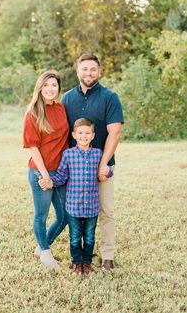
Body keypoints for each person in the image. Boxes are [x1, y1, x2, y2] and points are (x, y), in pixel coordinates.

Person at [61, 54, 124, 271]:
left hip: (102, 166)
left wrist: (103, 164)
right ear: (78, 71)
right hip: (75, 170)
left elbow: (114, 132)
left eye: (93, 69)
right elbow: (61, 133)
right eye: (84, 69)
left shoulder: (109, 97)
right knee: (73, 213)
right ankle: (78, 256)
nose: (88, 73)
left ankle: (107, 255)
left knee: (106, 211)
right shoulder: (67, 99)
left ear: (99, 71)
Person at [39, 118, 113, 275]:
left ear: (93, 135)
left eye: (87, 133)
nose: (83, 136)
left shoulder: (98, 154)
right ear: (74, 135)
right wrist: (50, 182)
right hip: (73, 205)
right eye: (80, 133)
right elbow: (61, 176)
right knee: (74, 237)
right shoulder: (68, 155)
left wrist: (108, 171)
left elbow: (104, 172)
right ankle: (76, 263)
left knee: (89, 237)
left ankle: (86, 263)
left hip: (92, 205)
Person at [23, 71, 69, 270]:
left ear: (58, 88)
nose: (50, 89)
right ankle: (45, 253)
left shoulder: (61, 108)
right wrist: (44, 175)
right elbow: (33, 147)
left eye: (54, 85)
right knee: (41, 215)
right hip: (41, 172)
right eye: (46, 85)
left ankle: (41, 246)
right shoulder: (33, 113)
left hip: (60, 172)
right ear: (39, 88)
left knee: (65, 216)